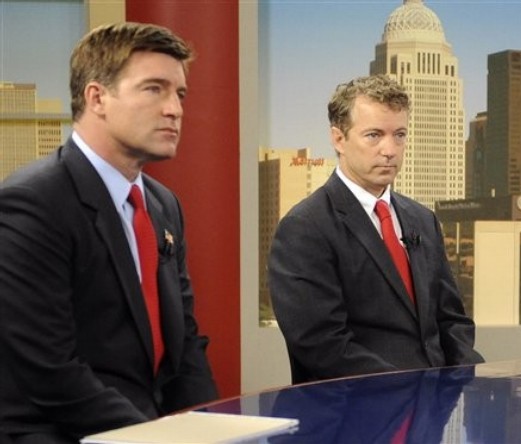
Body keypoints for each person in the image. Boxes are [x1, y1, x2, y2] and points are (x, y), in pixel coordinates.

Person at [0, 22, 218, 443]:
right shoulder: (31, 203)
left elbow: (185, 346)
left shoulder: (163, 205)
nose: (175, 109)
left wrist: (211, 427)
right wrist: (160, 438)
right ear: (97, 97)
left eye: (180, 94)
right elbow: (50, 371)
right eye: (154, 89)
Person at [268, 74, 484, 384]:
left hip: (428, 414)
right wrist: (410, 388)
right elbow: (322, 345)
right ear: (338, 139)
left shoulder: (422, 219)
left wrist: (471, 381)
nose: (390, 149)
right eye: (374, 135)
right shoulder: (305, 228)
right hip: (354, 415)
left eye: (399, 135)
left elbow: (451, 320)